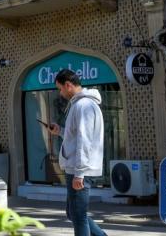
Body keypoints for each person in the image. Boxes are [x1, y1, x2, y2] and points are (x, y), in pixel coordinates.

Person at [47, 69, 108, 236]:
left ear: (68, 85)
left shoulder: (83, 106)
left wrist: (79, 173)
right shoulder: (80, 105)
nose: (60, 93)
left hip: (79, 169)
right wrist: (60, 131)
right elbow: (76, 136)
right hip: (76, 167)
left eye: (60, 88)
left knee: (78, 215)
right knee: (73, 213)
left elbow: (85, 140)